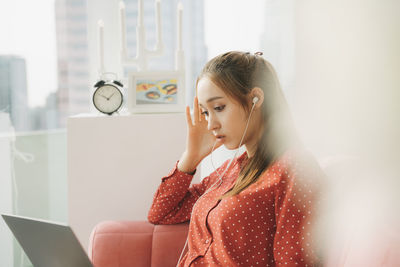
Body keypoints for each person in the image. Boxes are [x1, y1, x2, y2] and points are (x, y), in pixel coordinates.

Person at [148, 51, 324, 266]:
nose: (211, 124)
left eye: (219, 108)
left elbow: (295, 261)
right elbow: (161, 213)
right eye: (205, 112)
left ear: (255, 99)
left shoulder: (294, 168)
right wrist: (191, 157)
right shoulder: (231, 170)